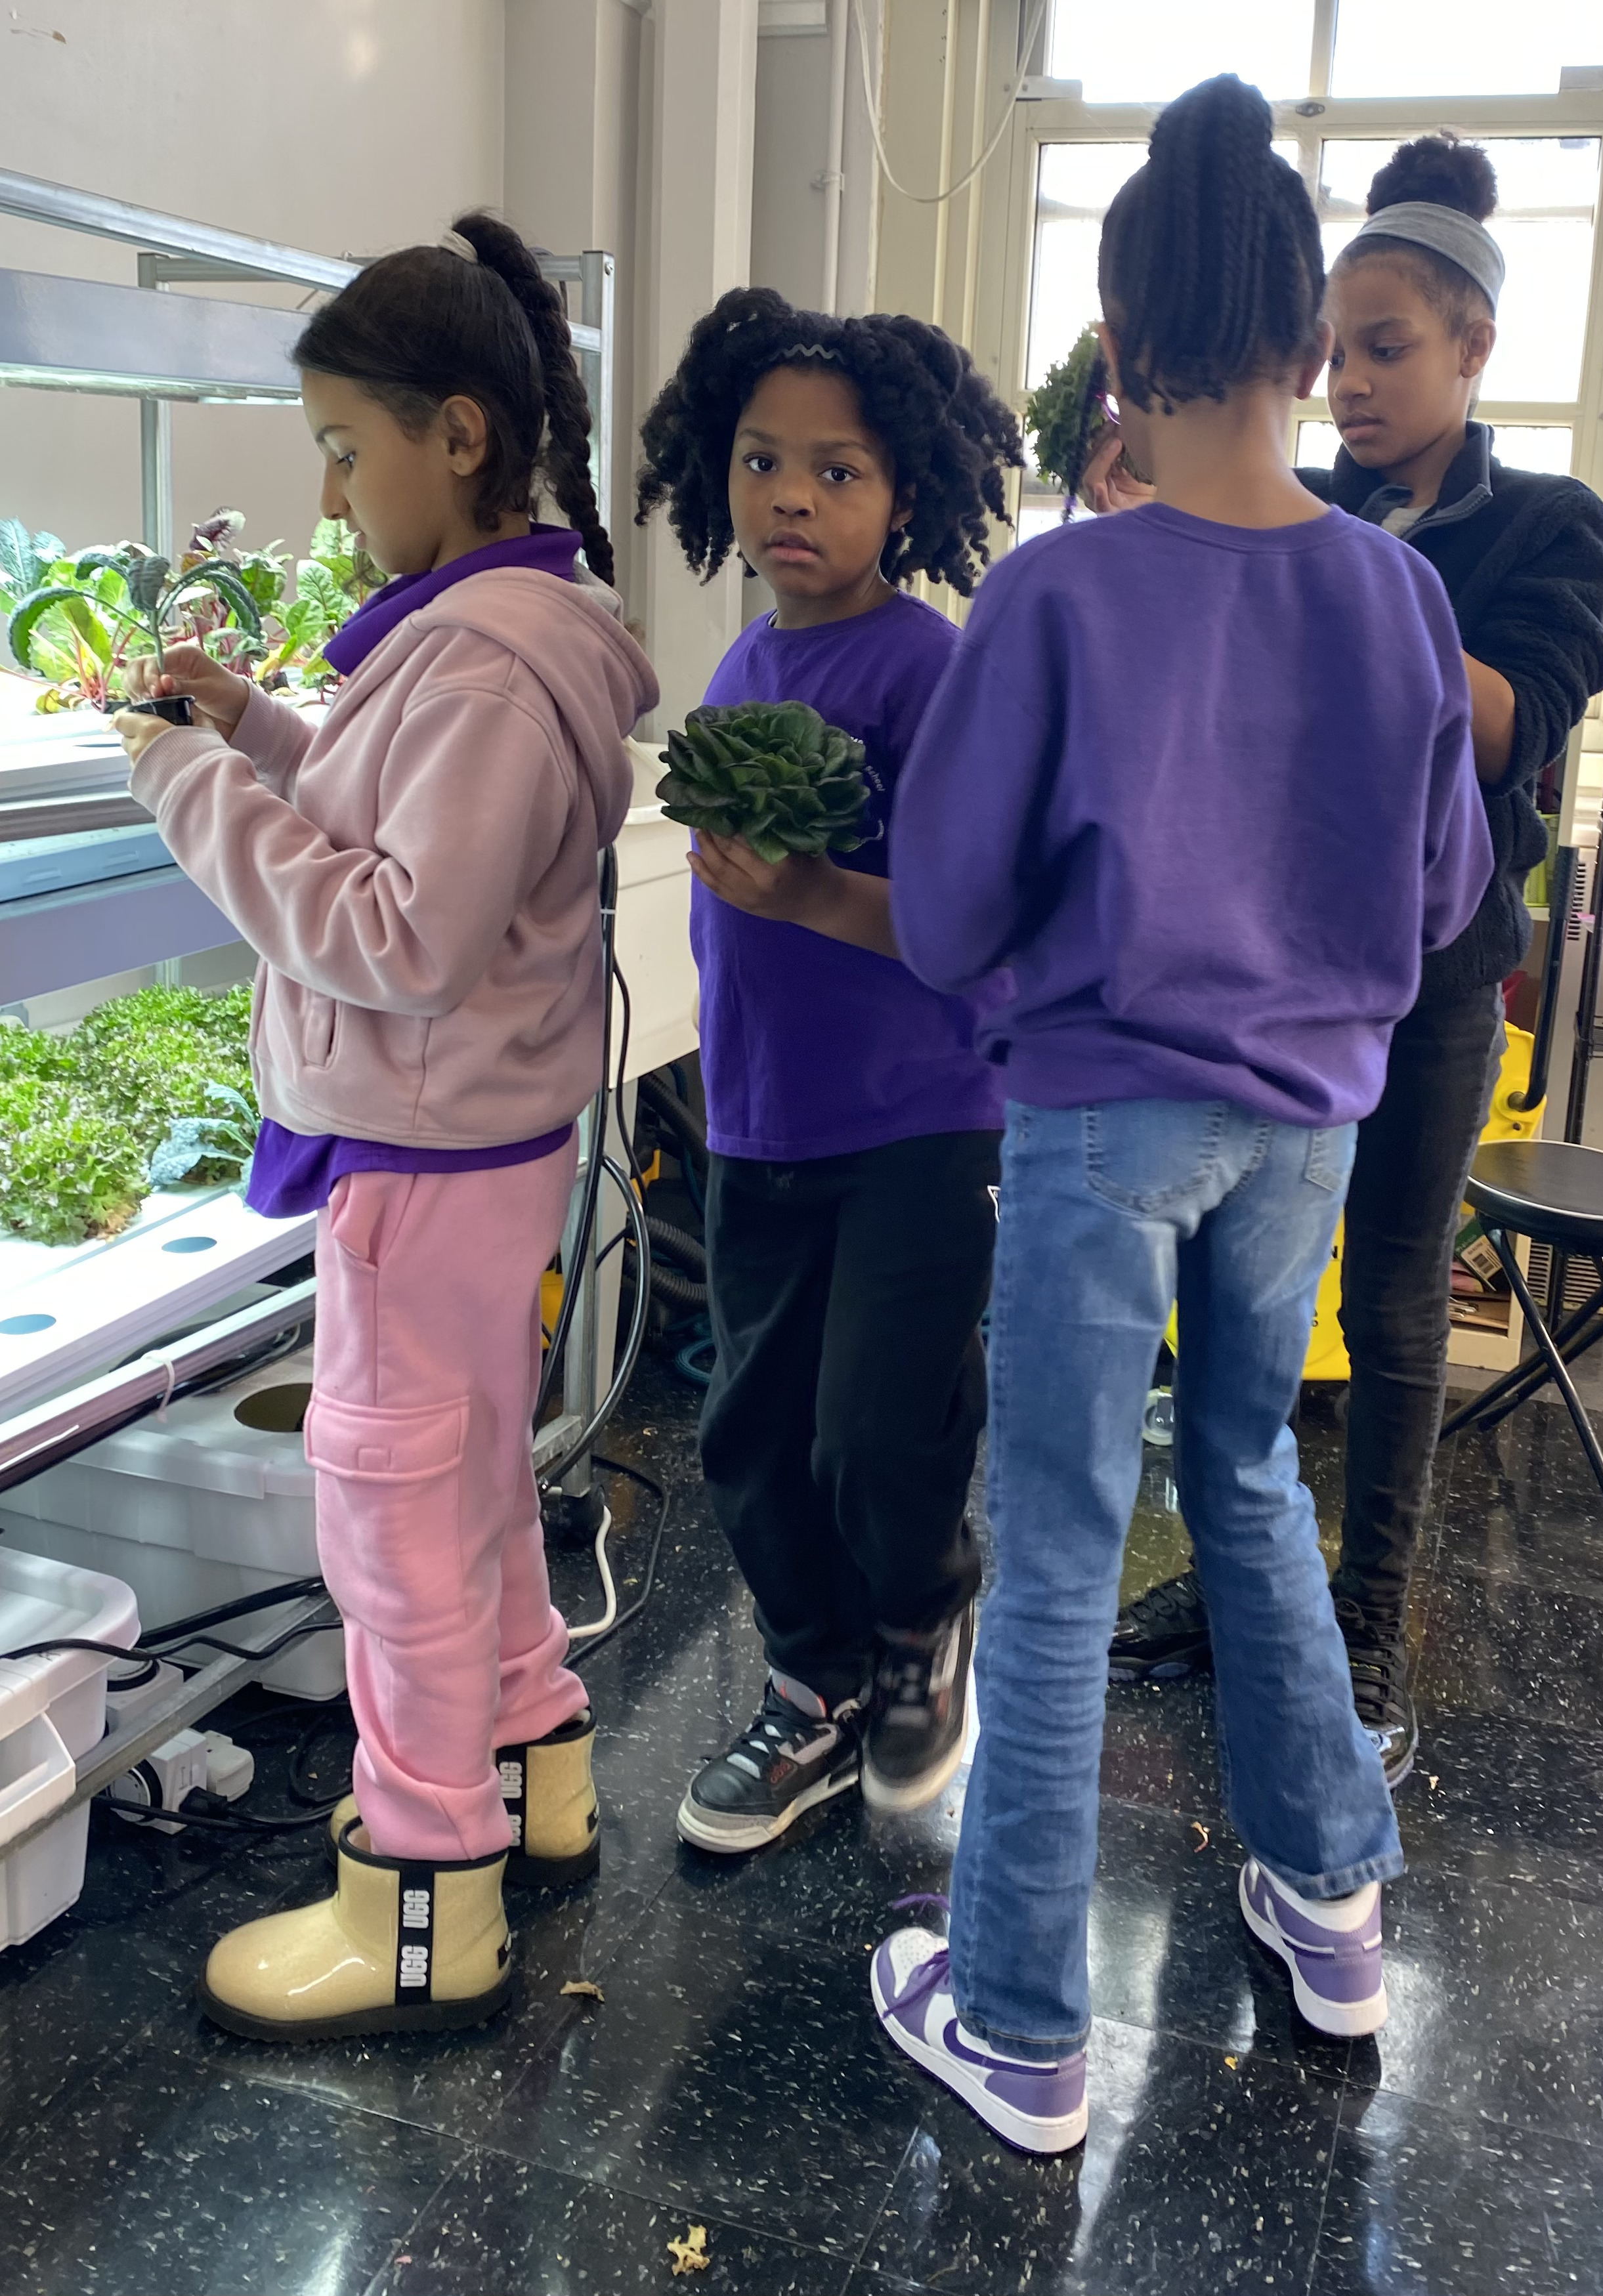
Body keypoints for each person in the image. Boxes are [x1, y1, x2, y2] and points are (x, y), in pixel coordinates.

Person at [867, 74, 1494, 2155]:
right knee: (1242, 1478)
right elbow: (1437, 902)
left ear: (1116, 351)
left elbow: (950, 906)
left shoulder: (1058, 595)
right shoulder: (1401, 599)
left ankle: (1027, 2024)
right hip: (1303, 1122)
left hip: (1097, 1114)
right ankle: (1330, 1904)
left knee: (1049, 1553)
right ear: (1313, 354)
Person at [112, 215, 657, 2040]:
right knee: (474, 1487)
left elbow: (398, 934)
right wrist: (256, 725)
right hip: (465, 1147)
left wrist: (192, 789)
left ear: (460, 433)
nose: (332, 491)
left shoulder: (487, 658)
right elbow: (399, 820)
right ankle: (527, 1776)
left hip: (423, 1154)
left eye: (349, 449)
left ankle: (422, 1906)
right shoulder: (502, 631)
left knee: (394, 1518)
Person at [1110, 135, 1603, 1783]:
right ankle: (1229, 1574)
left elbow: (1501, 727)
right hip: (1257, 962)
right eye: (1329, 354)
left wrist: (1336, 569)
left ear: (1473, 344)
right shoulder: (1304, 501)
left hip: (1434, 969)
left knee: (1393, 1305)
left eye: (1387, 349)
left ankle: (1370, 1624)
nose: (1346, 386)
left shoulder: (1544, 521)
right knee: (1225, 1291)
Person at [635, 289, 1021, 1852]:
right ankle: (813, 1688)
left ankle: (925, 1622)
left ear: (905, 496)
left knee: (876, 1426)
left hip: (922, 1120)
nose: (791, 495)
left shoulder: (929, 674)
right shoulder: (738, 670)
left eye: (838, 471)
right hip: (759, 1116)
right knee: (750, 1430)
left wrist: (806, 895)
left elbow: (976, 937)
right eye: (760, 461)